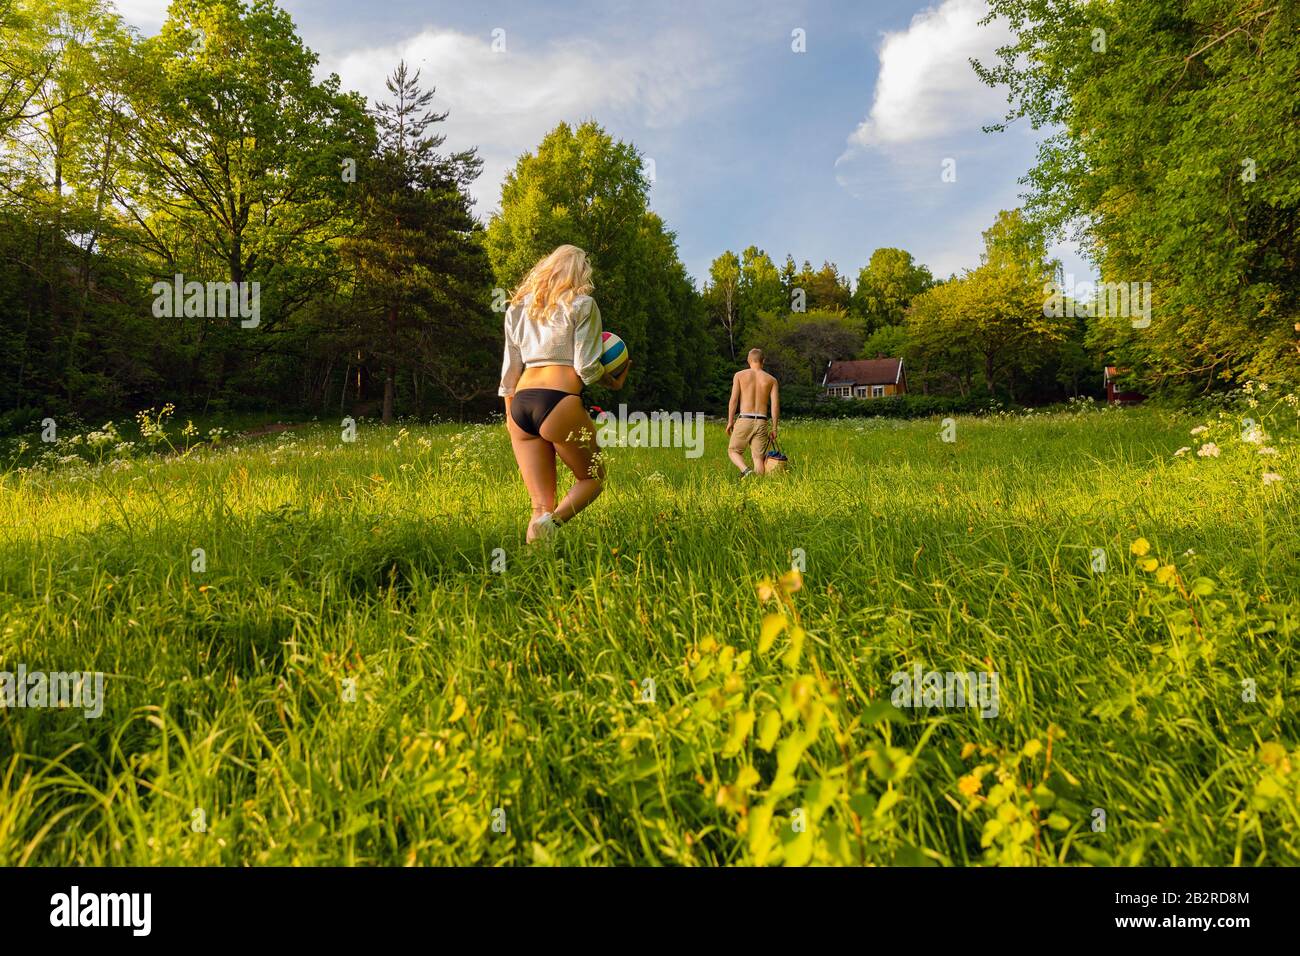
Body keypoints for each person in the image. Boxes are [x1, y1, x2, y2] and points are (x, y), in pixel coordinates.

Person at [499, 245, 630, 542]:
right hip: (557, 402)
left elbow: (509, 372)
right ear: (580, 273)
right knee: (592, 479)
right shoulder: (583, 304)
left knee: (539, 505)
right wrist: (612, 381)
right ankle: (554, 524)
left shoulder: (518, 308)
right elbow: (585, 368)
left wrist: (510, 418)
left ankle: (535, 569)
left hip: (519, 405)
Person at [726, 348, 779, 477]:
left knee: (733, 451)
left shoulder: (739, 375)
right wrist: (774, 428)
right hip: (762, 421)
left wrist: (730, 421)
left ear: (748, 360)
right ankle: (757, 486)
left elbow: (734, 400)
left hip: (745, 419)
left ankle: (746, 471)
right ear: (763, 361)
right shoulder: (771, 380)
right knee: (758, 458)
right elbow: (775, 406)